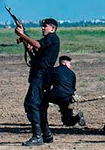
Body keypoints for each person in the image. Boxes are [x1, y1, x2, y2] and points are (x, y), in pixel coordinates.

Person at [16, 18, 60, 146]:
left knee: (32, 104)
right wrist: (24, 37)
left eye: (45, 26)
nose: (42, 28)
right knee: (40, 106)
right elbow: (34, 47)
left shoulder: (52, 38)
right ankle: (46, 135)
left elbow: (37, 45)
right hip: (41, 75)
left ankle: (37, 137)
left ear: (53, 28)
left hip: (41, 75)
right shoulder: (50, 39)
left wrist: (22, 35)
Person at [45, 56, 86, 128]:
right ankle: (77, 117)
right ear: (65, 63)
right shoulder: (72, 73)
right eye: (69, 64)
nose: (70, 65)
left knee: (41, 100)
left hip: (55, 95)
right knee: (67, 121)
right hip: (67, 97)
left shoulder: (53, 70)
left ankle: (41, 119)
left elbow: (48, 85)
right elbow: (72, 88)